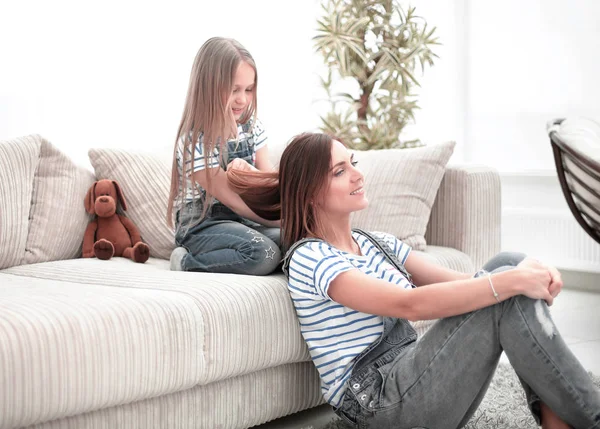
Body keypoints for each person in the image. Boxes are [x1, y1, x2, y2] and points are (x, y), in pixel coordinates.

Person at [228, 132, 600, 429]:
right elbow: (410, 304)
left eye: (353, 163)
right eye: (340, 171)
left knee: (508, 264)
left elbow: (471, 282)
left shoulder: (376, 242)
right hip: (382, 404)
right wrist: (511, 282)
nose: (358, 174)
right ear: (310, 193)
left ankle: (559, 422)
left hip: (413, 375)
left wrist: (523, 274)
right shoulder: (311, 258)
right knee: (507, 278)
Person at [166, 37, 281, 275]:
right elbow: (232, 199)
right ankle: (186, 262)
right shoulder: (193, 140)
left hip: (244, 222)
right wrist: (275, 221)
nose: (243, 99)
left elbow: (267, 180)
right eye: (233, 90)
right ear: (208, 87)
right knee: (263, 253)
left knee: (297, 241)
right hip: (203, 225)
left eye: (248, 90)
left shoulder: (253, 128)